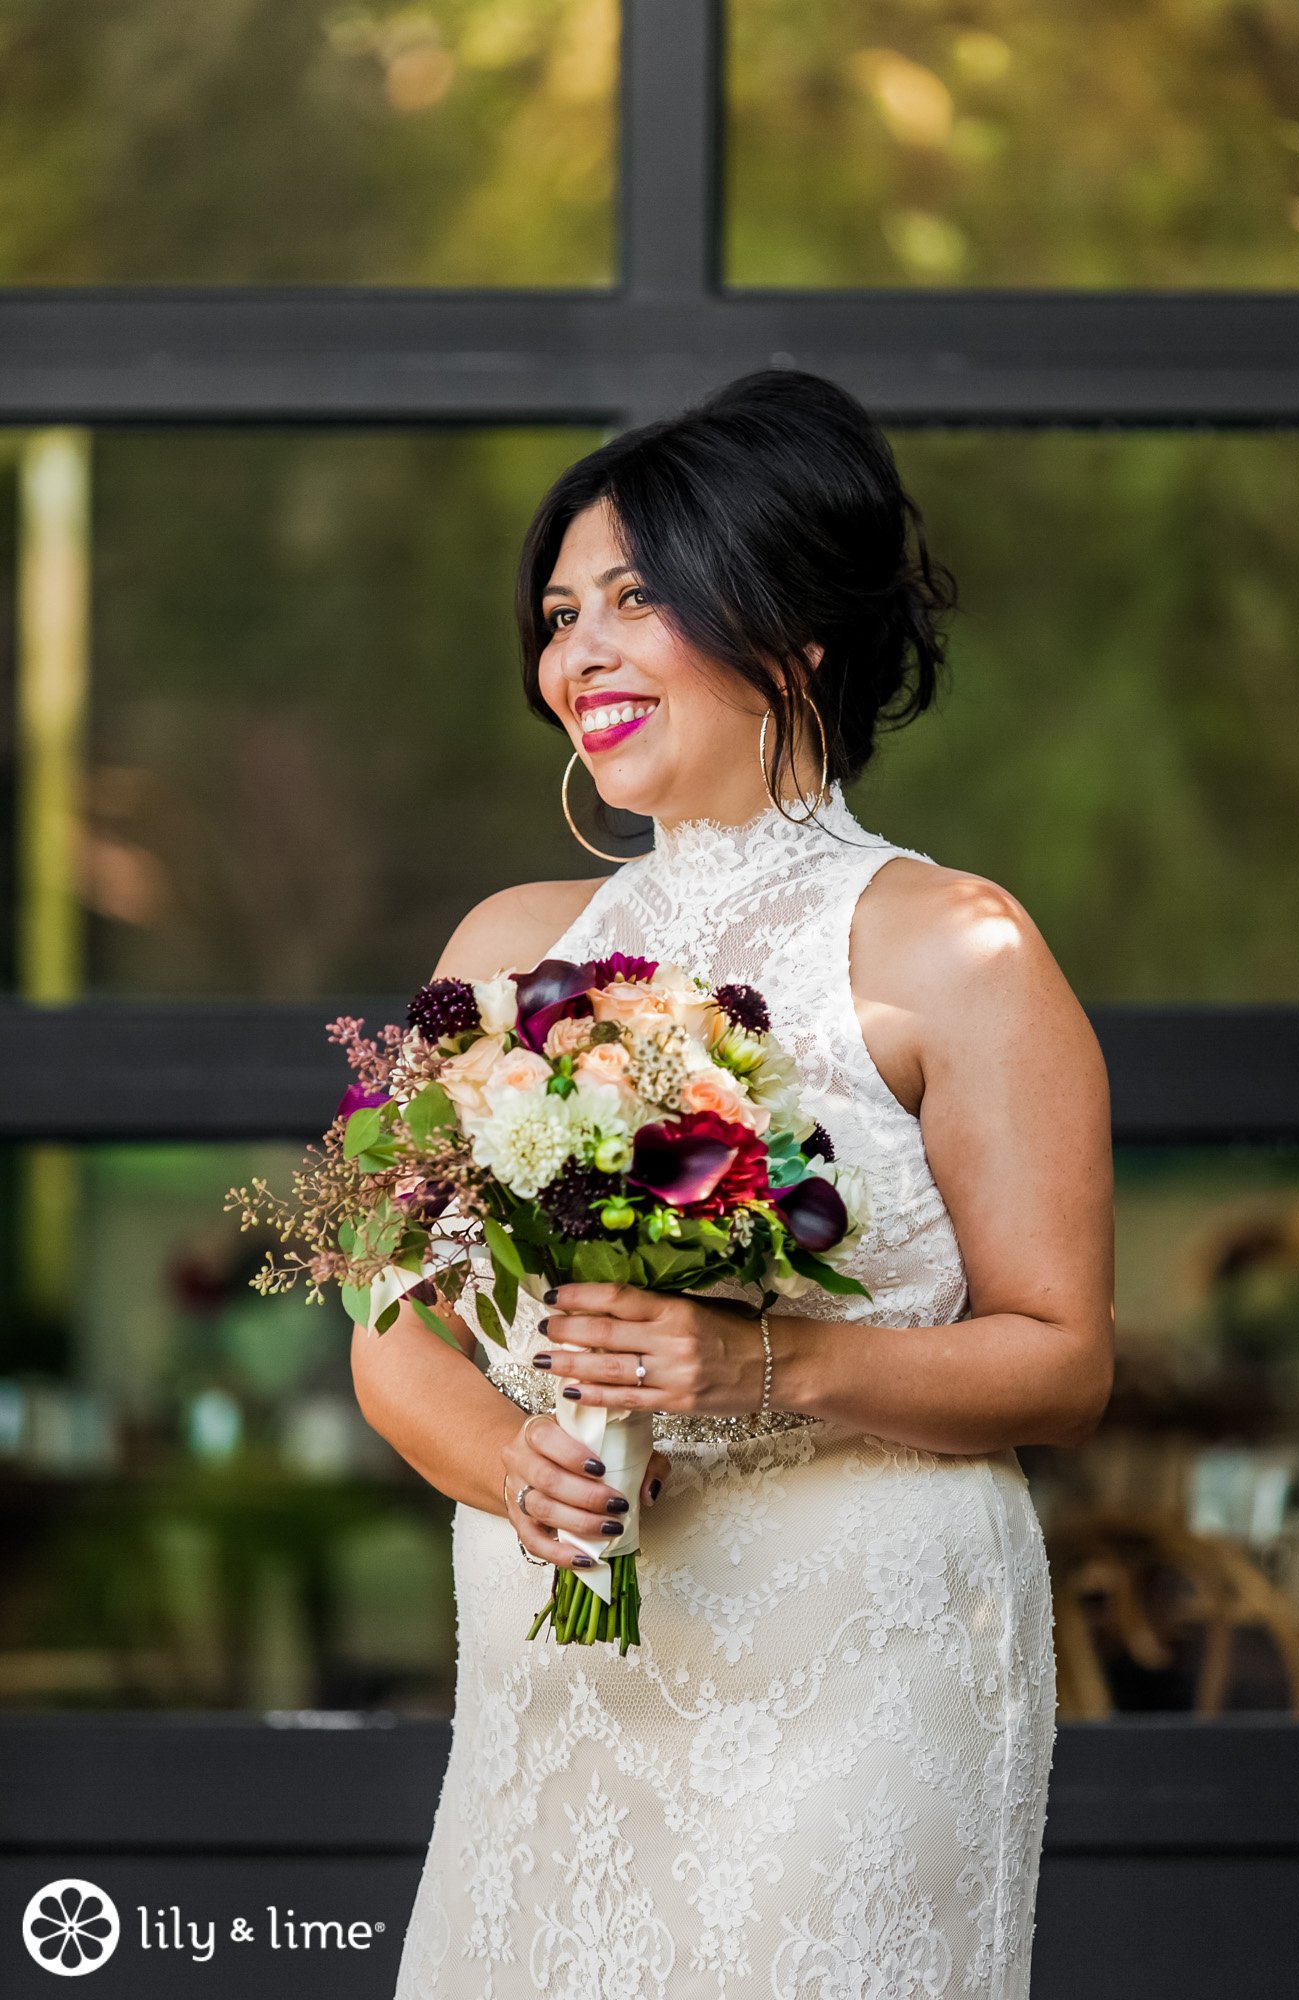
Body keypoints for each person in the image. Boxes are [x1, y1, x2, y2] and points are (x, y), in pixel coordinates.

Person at [353, 367, 1115, 1998]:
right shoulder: (502, 948)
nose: (580, 653)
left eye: (636, 598)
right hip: (560, 1661)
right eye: (560, 614)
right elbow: (383, 1320)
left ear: (791, 629)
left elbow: (1060, 1354)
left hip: (854, 1663)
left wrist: (769, 1361)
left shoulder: (959, 946)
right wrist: (514, 1470)